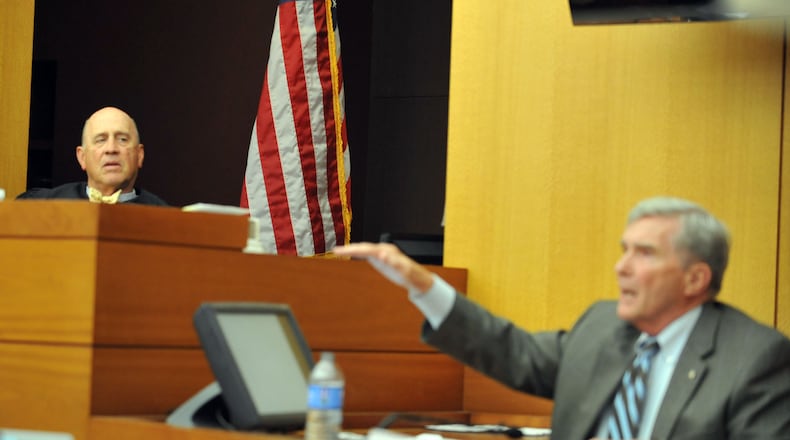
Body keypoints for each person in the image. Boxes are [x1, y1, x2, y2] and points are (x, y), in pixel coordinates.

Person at [333, 197, 790, 440]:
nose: (622, 267)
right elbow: (513, 352)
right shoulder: (603, 327)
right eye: (623, 250)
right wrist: (422, 285)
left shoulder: (753, 360)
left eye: (644, 254)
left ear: (696, 279)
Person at [17, 106, 167, 205]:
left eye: (122, 139)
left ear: (139, 155)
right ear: (82, 157)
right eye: (100, 140)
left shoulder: (167, 219)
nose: (111, 149)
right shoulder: (42, 205)